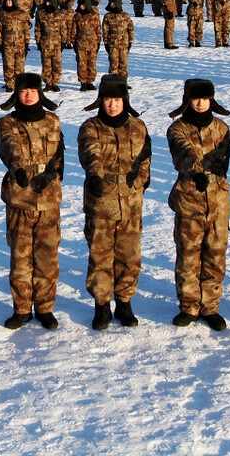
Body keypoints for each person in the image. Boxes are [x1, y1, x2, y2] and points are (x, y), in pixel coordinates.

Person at [78, 75, 151, 330]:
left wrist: (142, 179)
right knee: (101, 255)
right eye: (108, 100)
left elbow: (145, 155)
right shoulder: (91, 126)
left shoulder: (138, 126)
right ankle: (101, 305)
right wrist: (96, 175)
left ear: (125, 101)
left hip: (131, 203)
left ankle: (124, 302)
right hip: (102, 201)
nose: (112, 105)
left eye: (117, 100)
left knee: (129, 255)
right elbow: (90, 152)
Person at [0, 73, 64, 330]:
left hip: (48, 198)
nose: (28, 95)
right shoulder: (6, 122)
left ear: (40, 93)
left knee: (47, 256)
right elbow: (8, 145)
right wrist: (17, 168)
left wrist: (52, 174)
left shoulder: (52, 121)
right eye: (24, 91)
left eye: (33, 91)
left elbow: (58, 153)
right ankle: (22, 308)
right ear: (17, 94)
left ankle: (45, 307)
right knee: (21, 256)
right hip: (20, 196)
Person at [166, 79, 230, 330]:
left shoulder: (222, 128)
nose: (201, 103)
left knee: (215, 256)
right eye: (196, 98)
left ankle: (211, 307)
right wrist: (196, 172)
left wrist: (213, 176)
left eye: (205, 98)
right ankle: (189, 306)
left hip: (218, 202)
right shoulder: (177, 128)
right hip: (189, 200)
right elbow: (183, 153)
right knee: (189, 257)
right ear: (187, 100)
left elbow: (223, 162)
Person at [71, 0, 101, 91]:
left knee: (92, 63)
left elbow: (98, 29)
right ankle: (83, 82)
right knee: (82, 63)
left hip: (92, 42)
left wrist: (99, 41)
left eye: (83, 5)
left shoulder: (94, 15)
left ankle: (90, 81)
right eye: (80, 5)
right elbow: (73, 30)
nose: (81, 7)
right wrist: (73, 42)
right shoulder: (77, 16)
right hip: (81, 42)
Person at [101, 0, 134, 76]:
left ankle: (122, 82)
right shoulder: (108, 16)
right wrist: (106, 43)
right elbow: (105, 30)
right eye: (111, 3)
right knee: (113, 64)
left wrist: (130, 41)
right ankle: (113, 83)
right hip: (113, 44)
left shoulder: (125, 15)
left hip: (124, 44)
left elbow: (131, 29)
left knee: (123, 64)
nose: (112, 5)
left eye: (114, 3)